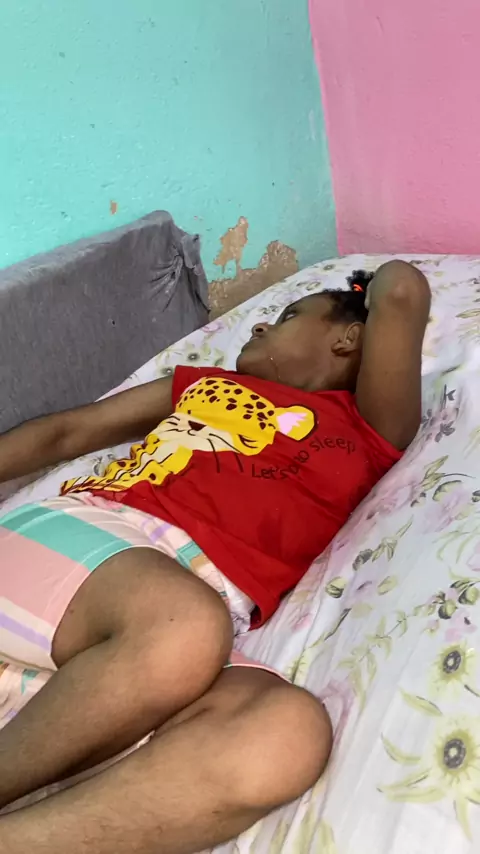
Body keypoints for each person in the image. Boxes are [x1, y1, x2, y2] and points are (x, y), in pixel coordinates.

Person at [0, 260, 430, 854]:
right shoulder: (203, 387)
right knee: (183, 627)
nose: (257, 327)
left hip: (142, 656)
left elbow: (401, 287)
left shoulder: (368, 432)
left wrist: (361, 286)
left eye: (287, 316)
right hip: (81, 539)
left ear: (348, 338)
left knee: (283, 735)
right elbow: (67, 433)